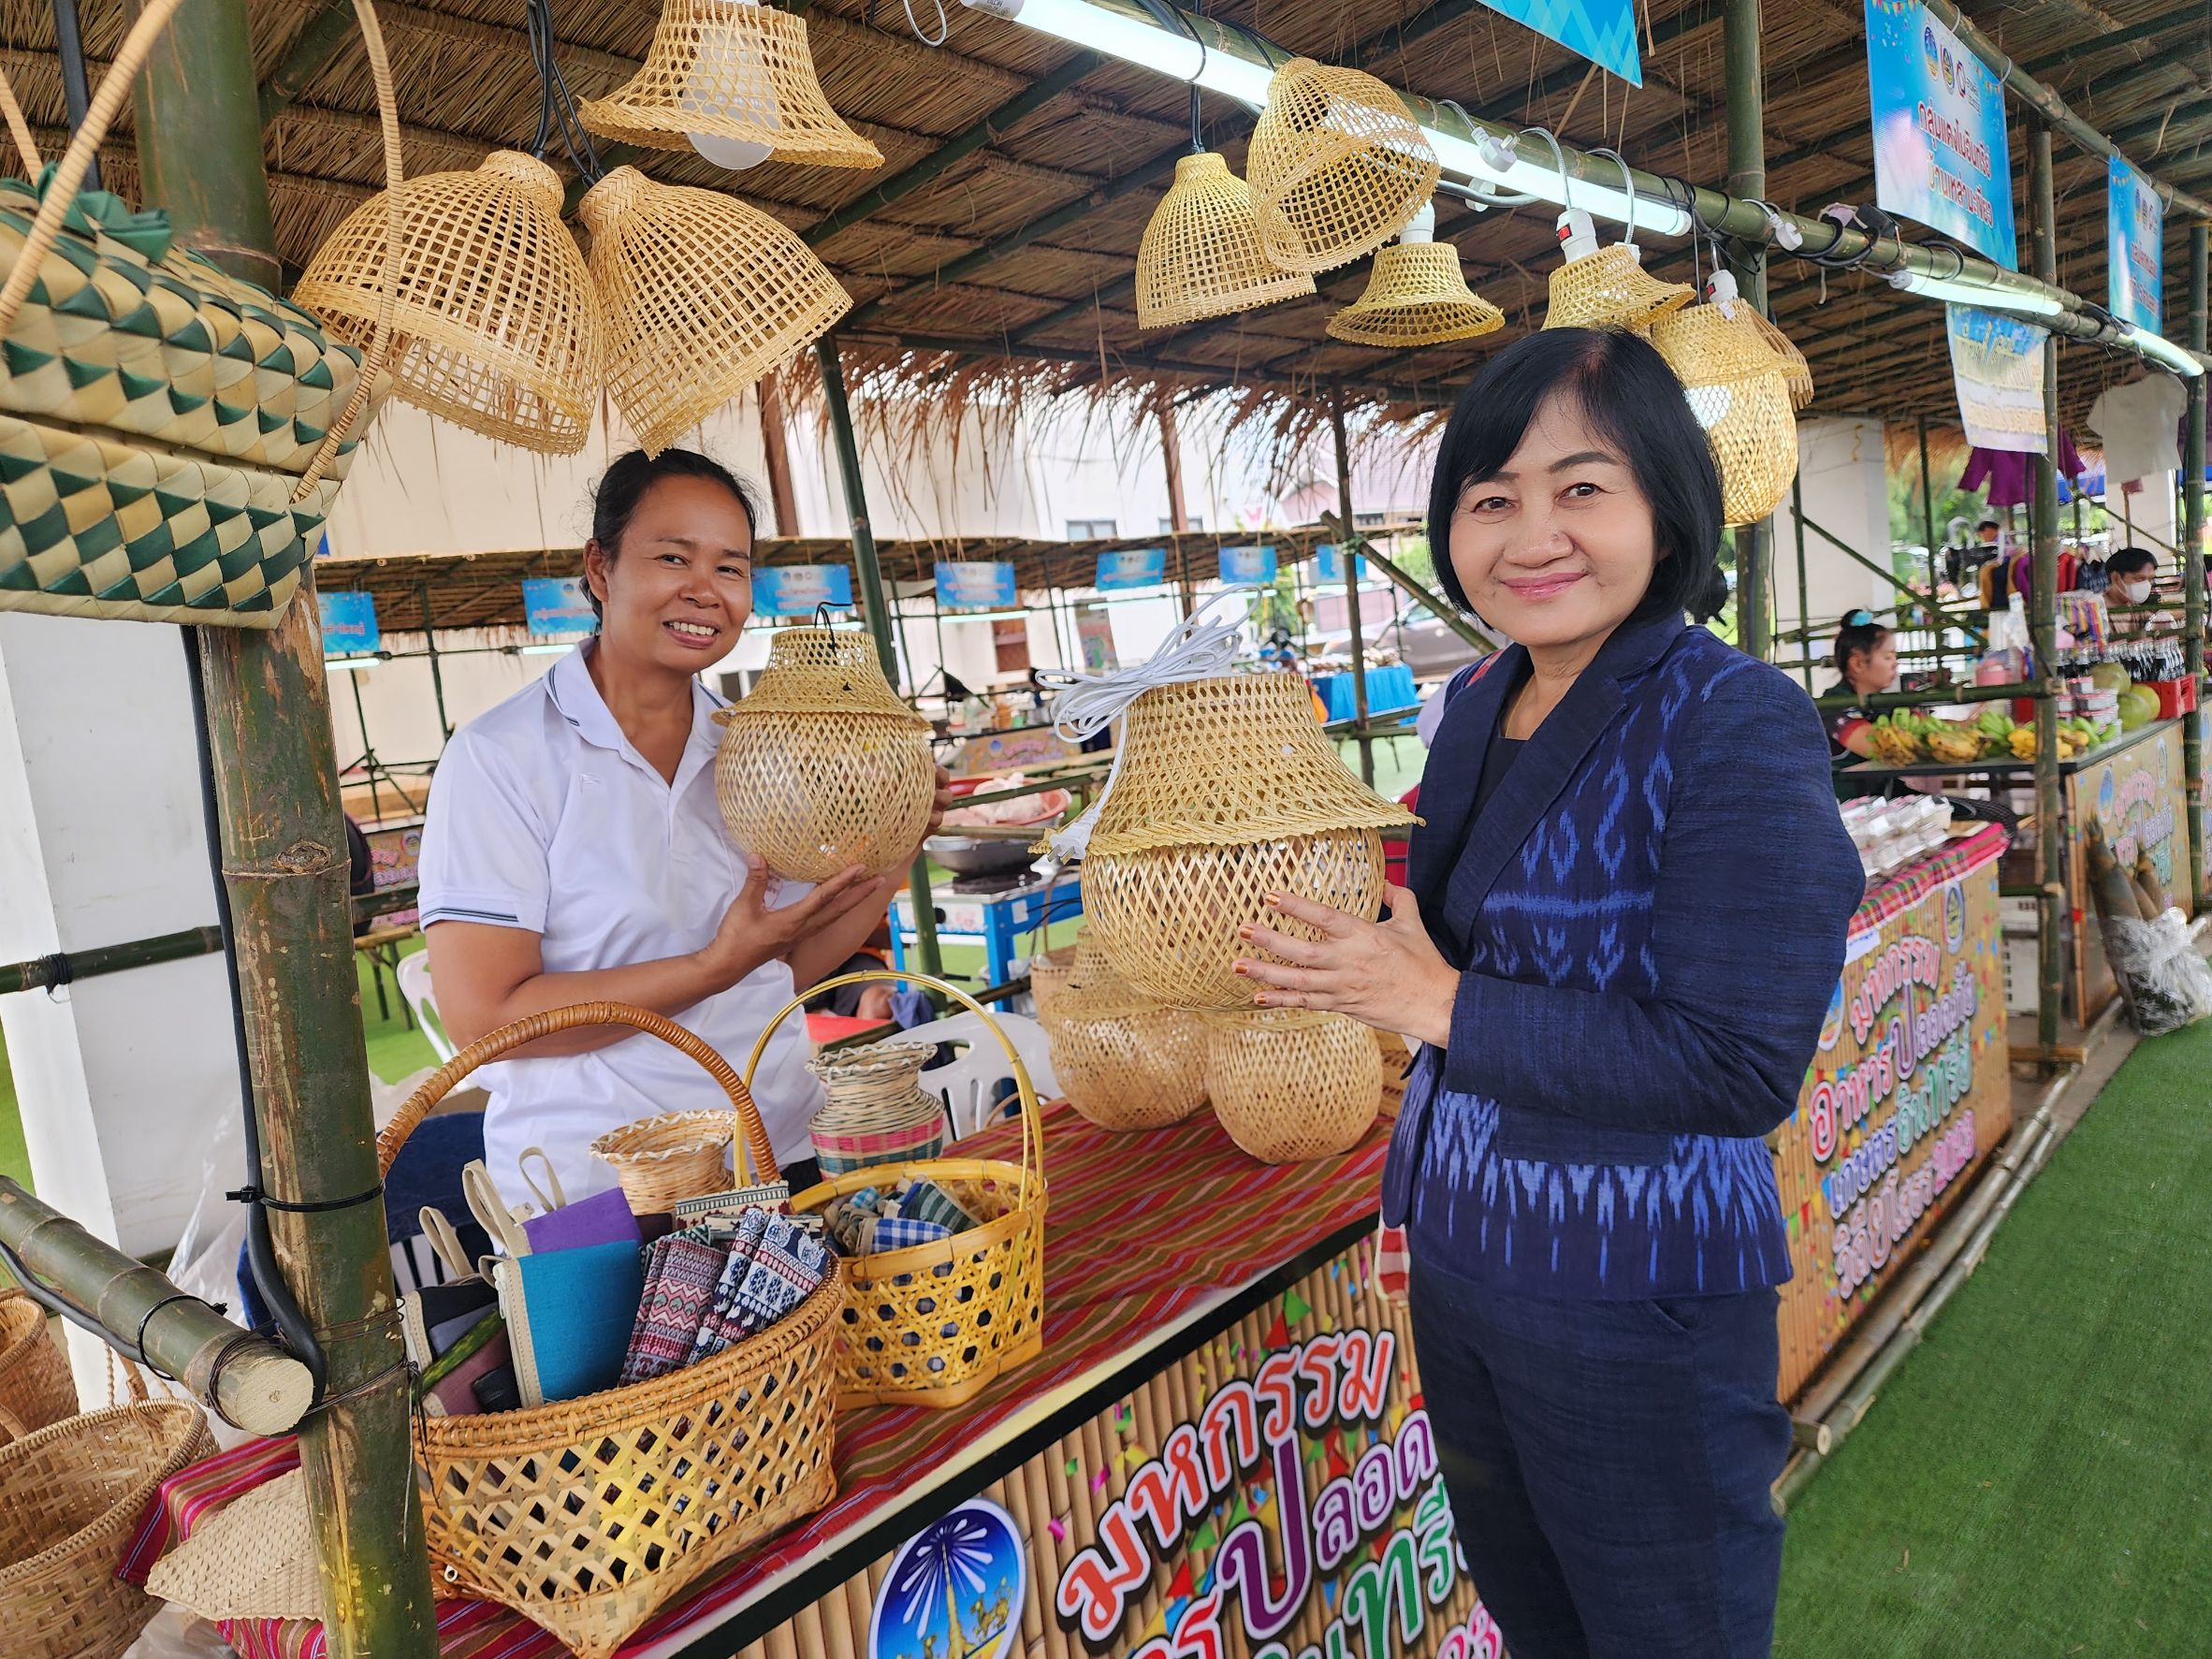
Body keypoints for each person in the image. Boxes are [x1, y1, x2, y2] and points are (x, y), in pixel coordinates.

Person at [1231, 329, 1863, 1658]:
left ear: (1665, 509)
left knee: (1667, 1630)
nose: (1532, 536)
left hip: (1638, 1288)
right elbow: (1464, 933)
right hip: (1462, 1265)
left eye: (1583, 488)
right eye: (1491, 497)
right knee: (1539, 1622)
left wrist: (1439, 1004)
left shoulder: (1733, 716)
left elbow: (1737, 1062)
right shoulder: (1475, 701)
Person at [418, 448, 951, 1209]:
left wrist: (899, 847)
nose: (705, 590)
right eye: (674, 557)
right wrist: (713, 965)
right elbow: (486, 1016)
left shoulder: (755, 752)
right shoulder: (502, 756)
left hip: (778, 1154)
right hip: (603, 1190)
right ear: (600, 568)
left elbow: (784, 965)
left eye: (730, 568)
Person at [1822, 610, 1896, 764]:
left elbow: (1923, 724)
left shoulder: (1883, 704)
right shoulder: (1833, 707)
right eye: (1888, 657)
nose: (1895, 663)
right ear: (1858, 664)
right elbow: (1885, 749)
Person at [2103, 547, 2171, 638]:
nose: (2147, 585)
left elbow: (2152, 620)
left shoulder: (2134, 608)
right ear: (2115, 578)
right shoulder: (2096, 611)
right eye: (2140, 579)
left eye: (2150, 579)